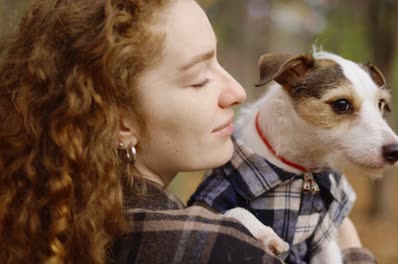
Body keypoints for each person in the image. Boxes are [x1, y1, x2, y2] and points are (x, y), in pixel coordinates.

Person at [0, 0, 374, 263]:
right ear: (121, 123)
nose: (237, 92)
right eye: (199, 79)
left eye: (219, 60)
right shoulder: (224, 248)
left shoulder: (50, 225)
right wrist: (351, 246)